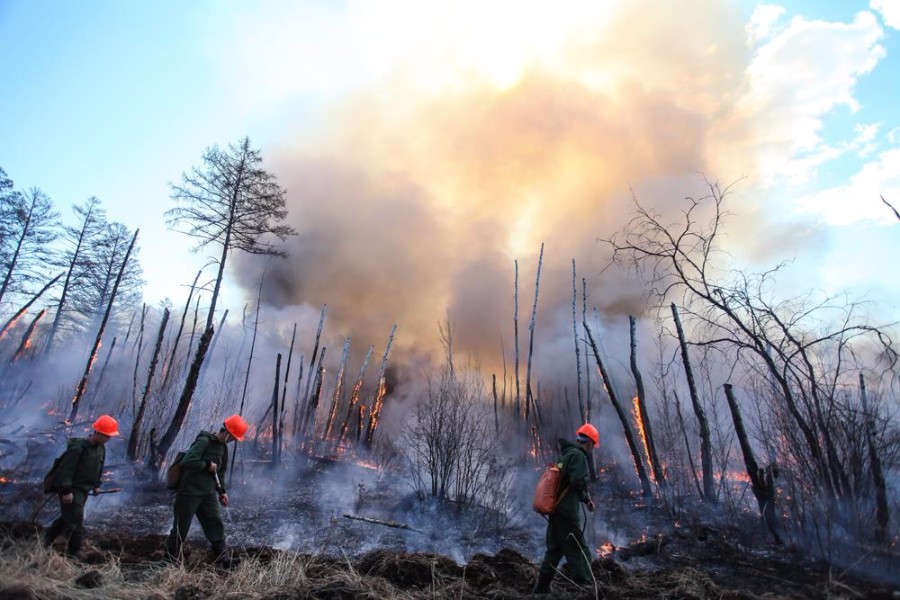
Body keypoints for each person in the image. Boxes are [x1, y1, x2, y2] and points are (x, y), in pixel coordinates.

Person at [164, 414, 248, 567]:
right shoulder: (204, 441)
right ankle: (168, 561)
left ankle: (223, 559)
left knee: (215, 524)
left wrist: (222, 491)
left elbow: (221, 472)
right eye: (233, 437)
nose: (233, 440)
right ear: (228, 432)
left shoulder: (223, 448)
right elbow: (188, 461)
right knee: (181, 528)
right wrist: (207, 465)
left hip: (208, 494)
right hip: (189, 492)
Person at [533, 423, 599, 594]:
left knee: (554, 551)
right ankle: (587, 588)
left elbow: (569, 483)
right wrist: (588, 481)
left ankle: (540, 591)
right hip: (567, 513)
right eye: (593, 445)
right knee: (579, 549)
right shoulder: (578, 455)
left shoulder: (567, 455)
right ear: (589, 443)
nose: (592, 449)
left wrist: (586, 499)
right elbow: (577, 481)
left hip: (556, 511)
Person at [43, 414, 119, 558]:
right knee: (76, 520)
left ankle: (46, 540)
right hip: (72, 490)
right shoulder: (78, 449)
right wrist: (66, 491)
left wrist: (96, 485)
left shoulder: (101, 448)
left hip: (84, 490)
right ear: (98, 433)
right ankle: (75, 552)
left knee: (67, 518)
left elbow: (98, 468)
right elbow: (65, 471)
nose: (109, 439)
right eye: (107, 436)